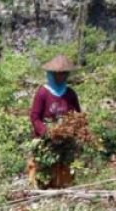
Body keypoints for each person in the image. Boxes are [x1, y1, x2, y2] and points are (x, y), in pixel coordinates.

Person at [28, 54, 81, 188]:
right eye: (59, 74)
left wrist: (72, 130)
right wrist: (47, 131)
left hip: (64, 141)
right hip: (45, 140)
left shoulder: (70, 93)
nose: (63, 76)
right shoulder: (43, 93)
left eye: (65, 73)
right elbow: (35, 117)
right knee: (42, 170)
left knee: (63, 172)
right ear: (52, 74)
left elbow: (77, 116)